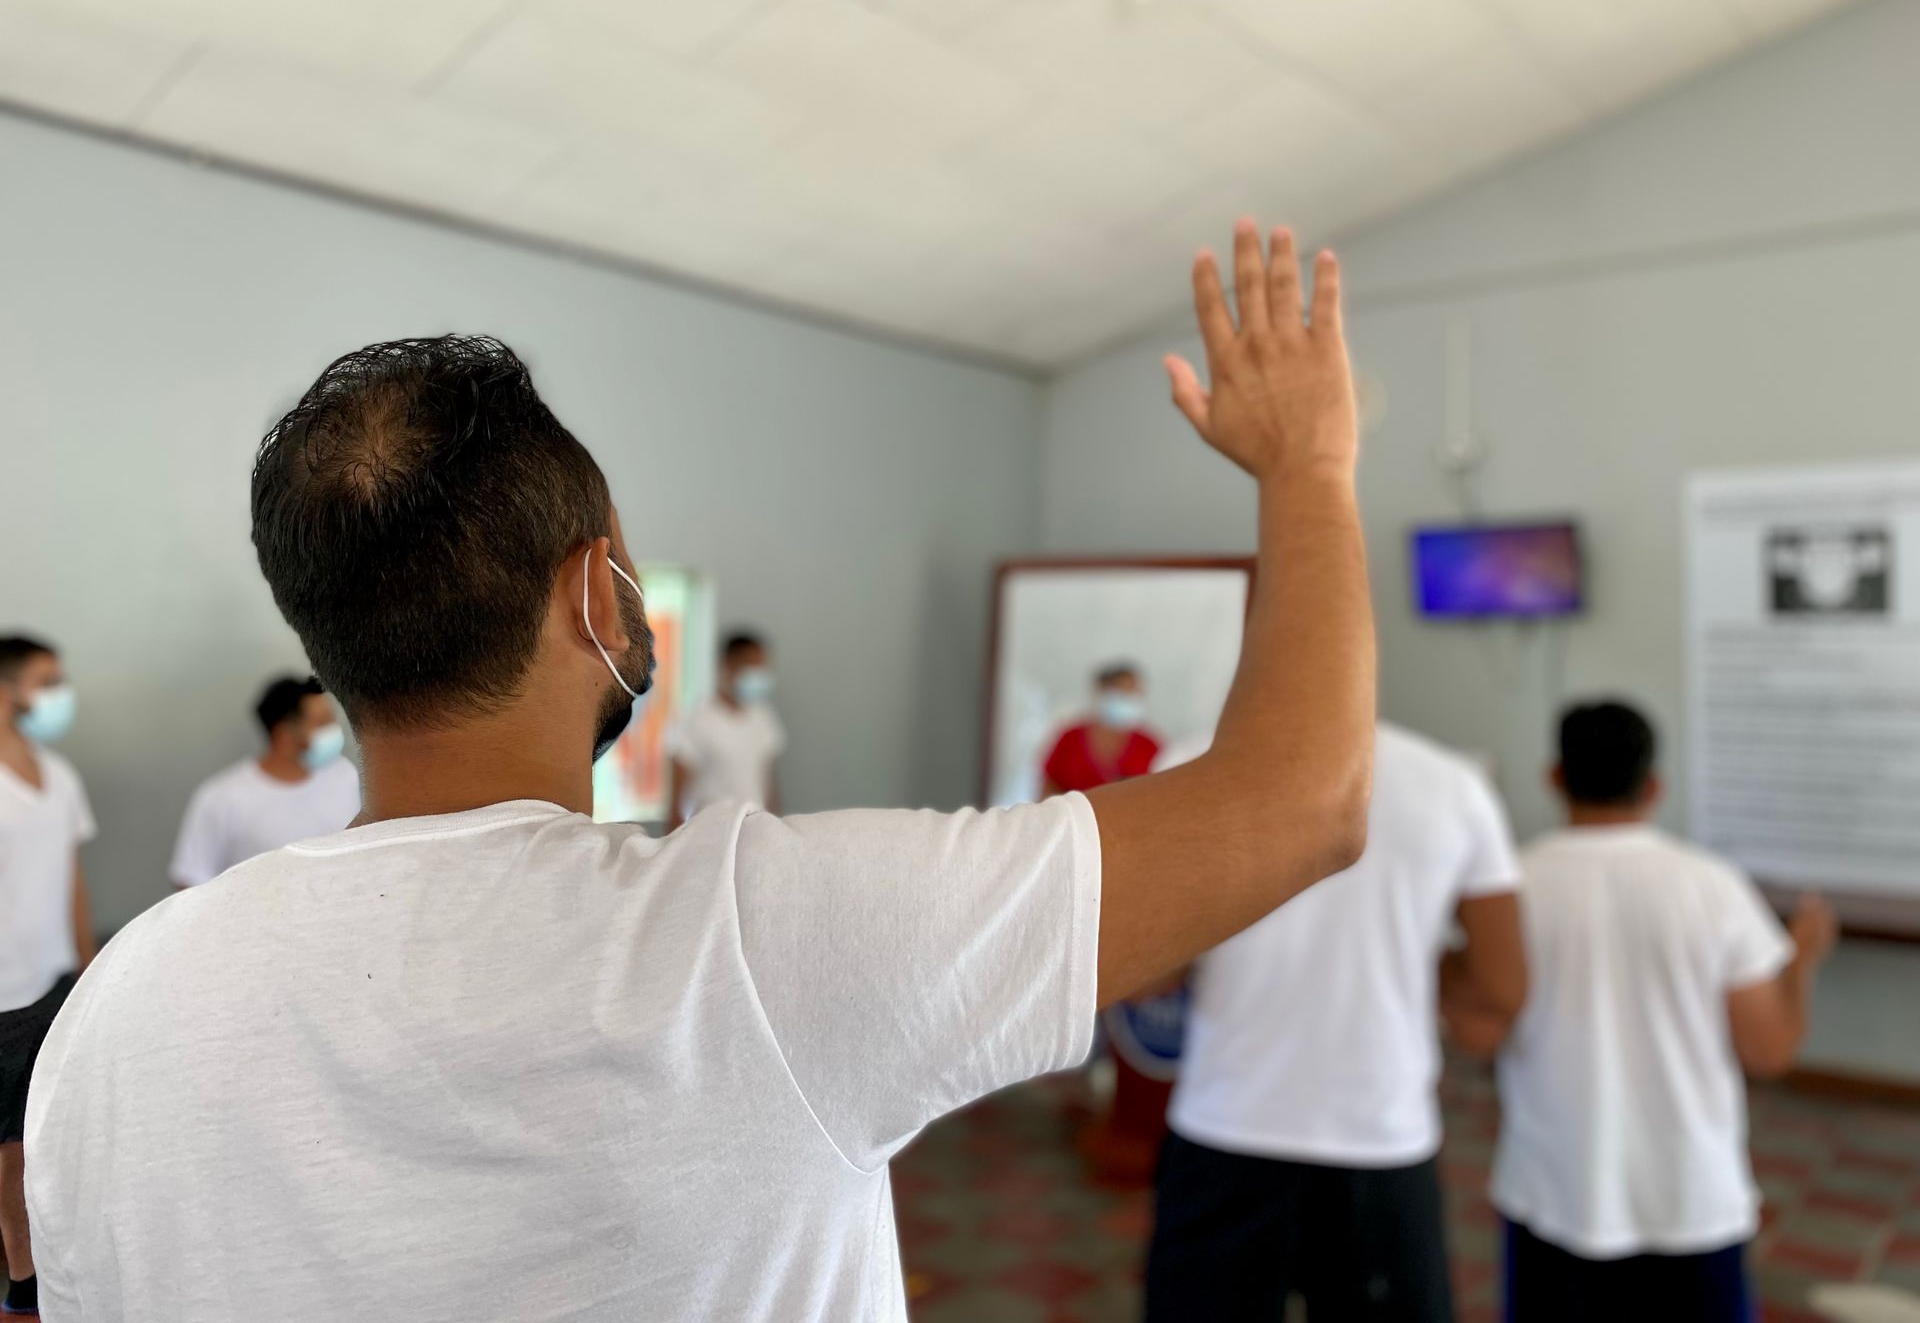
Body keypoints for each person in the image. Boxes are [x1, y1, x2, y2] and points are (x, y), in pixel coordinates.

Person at [26, 220, 1376, 1321]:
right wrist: (1308, 466)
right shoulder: (755, 942)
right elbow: (1302, 801)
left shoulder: (122, 1007)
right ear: (593, 600)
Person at [1146, 722, 1526, 1322]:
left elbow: (1149, 970)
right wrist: (1415, 959)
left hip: (1229, 1118)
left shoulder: (1188, 764)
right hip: (1379, 1129)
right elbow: (1502, 987)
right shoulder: (1454, 786)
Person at [1473, 700, 1837, 1323]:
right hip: (1688, 1197)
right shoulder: (1712, 886)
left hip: (1554, 1188)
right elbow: (1769, 1051)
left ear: (1554, 777)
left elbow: (1479, 1031)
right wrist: (1801, 962)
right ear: (1655, 786)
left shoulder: (1509, 887)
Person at [0, 636, 95, 1319]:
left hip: (55, 987)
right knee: (9, 1160)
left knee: (41, 1146)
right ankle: (23, 1287)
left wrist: (89, 968)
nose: (61, 694)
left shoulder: (58, 775)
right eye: (48, 681)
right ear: (8, 691)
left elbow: (71, 877)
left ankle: (42, 1280)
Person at [170, 676, 360, 888]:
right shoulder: (223, 799)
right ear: (284, 734)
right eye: (323, 723)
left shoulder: (344, 775)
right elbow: (190, 880)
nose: (335, 730)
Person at [666, 632, 783, 829]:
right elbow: (677, 792)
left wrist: (776, 824)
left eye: (760, 667)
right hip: (708, 830)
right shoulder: (696, 719)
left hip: (755, 827)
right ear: (727, 665)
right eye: (750, 665)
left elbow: (766, 781)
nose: (757, 674)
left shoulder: (763, 717)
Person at [1041, 662, 1162, 797]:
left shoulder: (1148, 745)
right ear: (1103, 693)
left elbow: (1160, 791)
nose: (1128, 699)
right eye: (1122, 692)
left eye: (1133, 693)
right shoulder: (1070, 739)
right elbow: (1048, 788)